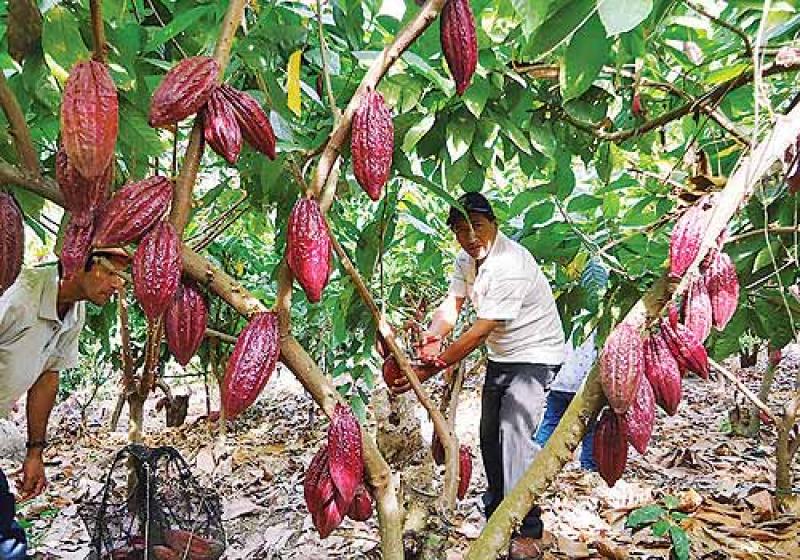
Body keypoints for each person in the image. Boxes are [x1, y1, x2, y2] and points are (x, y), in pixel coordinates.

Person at [391, 192, 564, 560]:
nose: (470, 237)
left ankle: (528, 530)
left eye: (478, 227)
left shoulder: (510, 264)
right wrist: (434, 335)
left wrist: (433, 365)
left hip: (535, 356)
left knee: (514, 437)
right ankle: (498, 518)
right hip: (503, 357)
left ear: (494, 225)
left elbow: (481, 329)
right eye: (460, 230)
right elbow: (452, 305)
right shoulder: (466, 260)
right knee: (489, 439)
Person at [0, 248, 129, 556]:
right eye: (111, 273)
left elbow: (47, 377)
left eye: (122, 277)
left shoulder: (74, 312)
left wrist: (35, 452)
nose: (117, 285)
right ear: (78, 264)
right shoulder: (18, 295)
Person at [534, 331, 597, 471]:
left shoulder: (563, 325)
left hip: (560, 381)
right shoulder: (595, 328)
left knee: (551, 421)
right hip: (583, 385)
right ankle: (588, 467)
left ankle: (536, 458)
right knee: (590, 426)